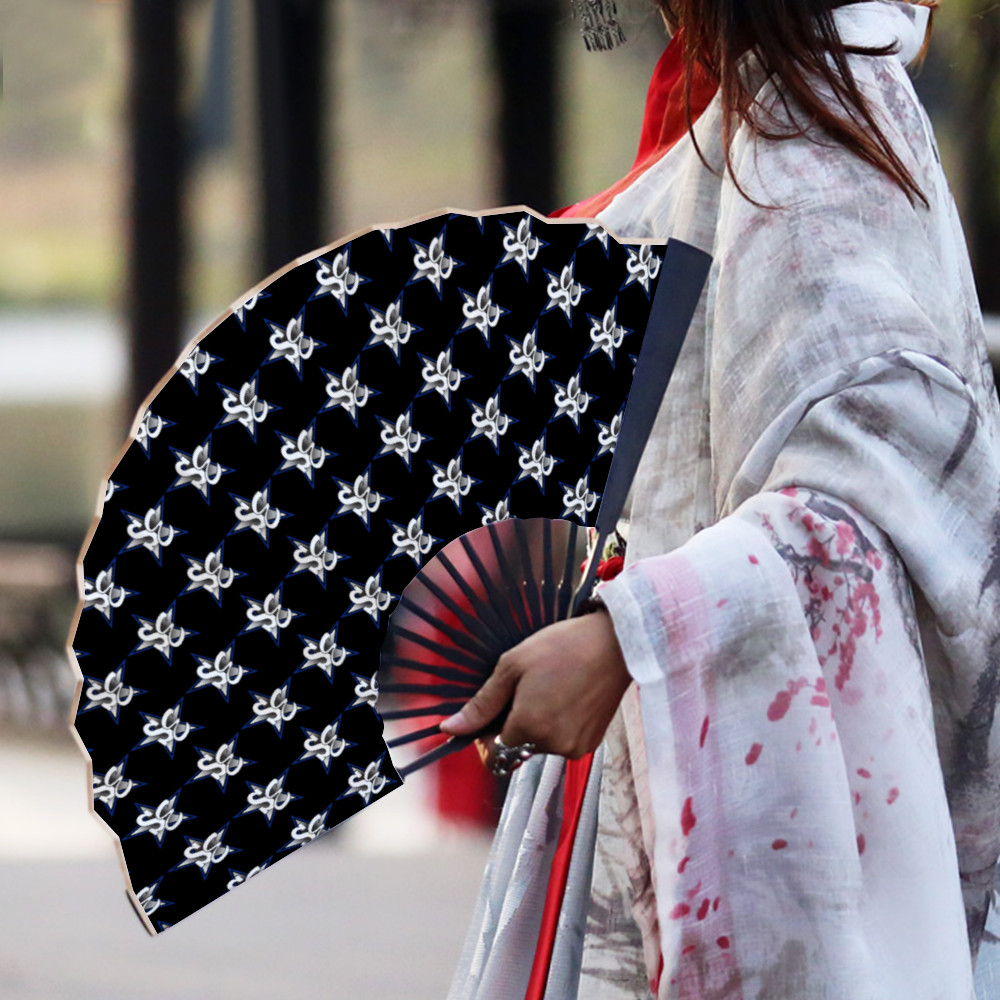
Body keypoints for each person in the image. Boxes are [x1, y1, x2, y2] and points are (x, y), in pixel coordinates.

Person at [440, 0, 1000, 997]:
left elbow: (872, 501)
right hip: (667, 747)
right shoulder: (776, 122)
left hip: (749, 776)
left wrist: (627, 635)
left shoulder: (812, 154)